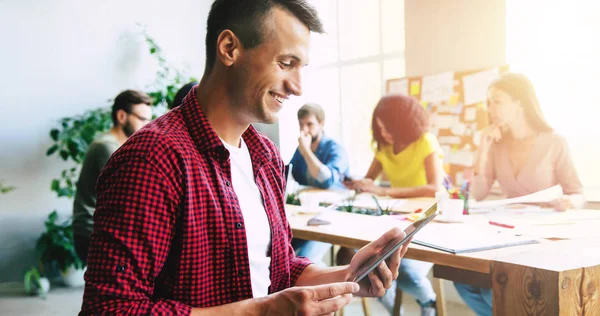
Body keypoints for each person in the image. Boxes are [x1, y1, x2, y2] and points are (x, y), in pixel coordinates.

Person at [80, 1, 410, 315]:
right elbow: (110, 309)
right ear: (229, 49)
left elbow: (278, 270)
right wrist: (261, 312)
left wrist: (348, 275)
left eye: (301, 68)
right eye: (286, 63)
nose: (297, 87)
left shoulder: (265, 156)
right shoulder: (151, 160)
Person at [454, 73, 585, 316]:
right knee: (464, 283)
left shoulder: (555, 142)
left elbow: (578, 194)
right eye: (488, 102)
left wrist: (568, 202)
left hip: (545, 239)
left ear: (519, 104)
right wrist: (483, 147)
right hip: (508, 234)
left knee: (494, 291)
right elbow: (477, 194)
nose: (490, 108)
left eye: (497, 101)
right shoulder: (497, 144)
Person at [344, 94, 445, 316]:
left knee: (405, 269)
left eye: (389, 128)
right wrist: (360, 183)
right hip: (399, 218)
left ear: (404, 124)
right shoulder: (384, 147)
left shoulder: (425, 141)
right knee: (371, 265)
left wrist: (384, 190)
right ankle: (394, 309)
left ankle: (428, 302)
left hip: (427, 219)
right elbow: (370, 180)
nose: (385, 134)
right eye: (380, 129)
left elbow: (434, 187)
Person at [72, 89, 152, 263]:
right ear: (122, 116)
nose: (148, 125)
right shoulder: (106, 147)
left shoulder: (120, 146)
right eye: (142, 119)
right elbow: (128, 195)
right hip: (92, 232)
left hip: (97, 229)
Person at [289, 103, 349, 264]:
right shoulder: (302, 148)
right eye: (301, 125)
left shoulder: (334, 148)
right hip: (307, 212)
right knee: (285, 252)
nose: (304, 130)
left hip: (331, 214)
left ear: (321, 124)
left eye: (309, 124)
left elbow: (327, 180)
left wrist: (306, 152)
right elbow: (289, 174)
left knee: (308, 259)